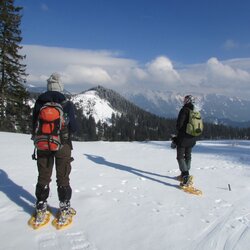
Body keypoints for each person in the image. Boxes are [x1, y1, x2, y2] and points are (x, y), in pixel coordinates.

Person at [32, 73, 77, 216]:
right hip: (63, 145)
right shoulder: (66, 104)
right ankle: (64, 208)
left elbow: (34, 124)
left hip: (43, 145)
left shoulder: (39, 103)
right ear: (60, 88)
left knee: (43, 176)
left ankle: (40, 207)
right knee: (63, 176)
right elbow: (75, 127)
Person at [175, 95, 197, 187]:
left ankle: (186, 176)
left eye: (185, 99)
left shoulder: (184, 110)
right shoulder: (195, 111)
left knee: (180, 157)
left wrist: (177, 135)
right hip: (192, 138)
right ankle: (185, 174)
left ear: (188, 101)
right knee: (188, 156)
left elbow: (179, 125)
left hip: (183, 138)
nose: (183, 101)